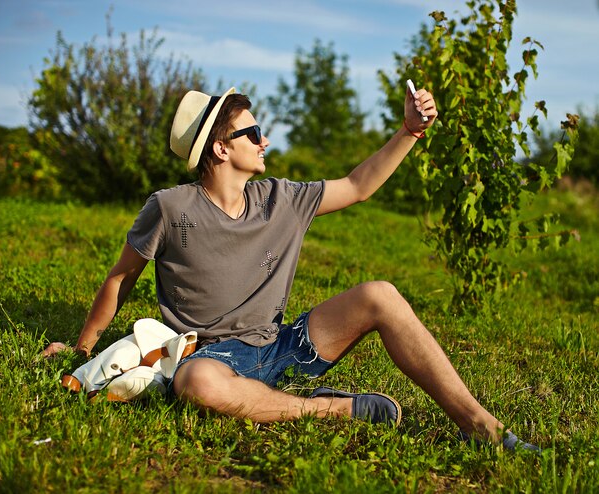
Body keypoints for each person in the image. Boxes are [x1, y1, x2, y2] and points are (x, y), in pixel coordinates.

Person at [44, 84, 539, 452]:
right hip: (211, 359)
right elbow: (121, 277)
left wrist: (409, 131)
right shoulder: (171, 208)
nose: (264, 141)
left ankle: (481, 426)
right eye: (253, 133)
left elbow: (359, 184)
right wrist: (83, 347)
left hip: (284, 347)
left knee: (380, 294)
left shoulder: (281, 198)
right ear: (221, 148)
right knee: (195, 385)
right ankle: (332, 409)